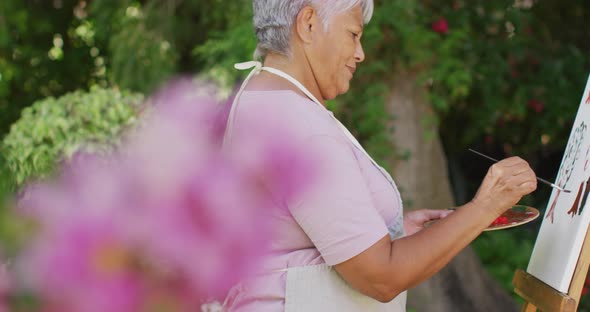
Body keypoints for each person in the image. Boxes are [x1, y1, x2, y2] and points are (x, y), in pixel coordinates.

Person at [221, 0, 537, 311]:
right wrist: (486, 205)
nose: (360, 53)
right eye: (354, 34)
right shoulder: (299, 124)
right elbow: (381, 278)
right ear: (308, 24)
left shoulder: (258, 97)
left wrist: (390, 232)